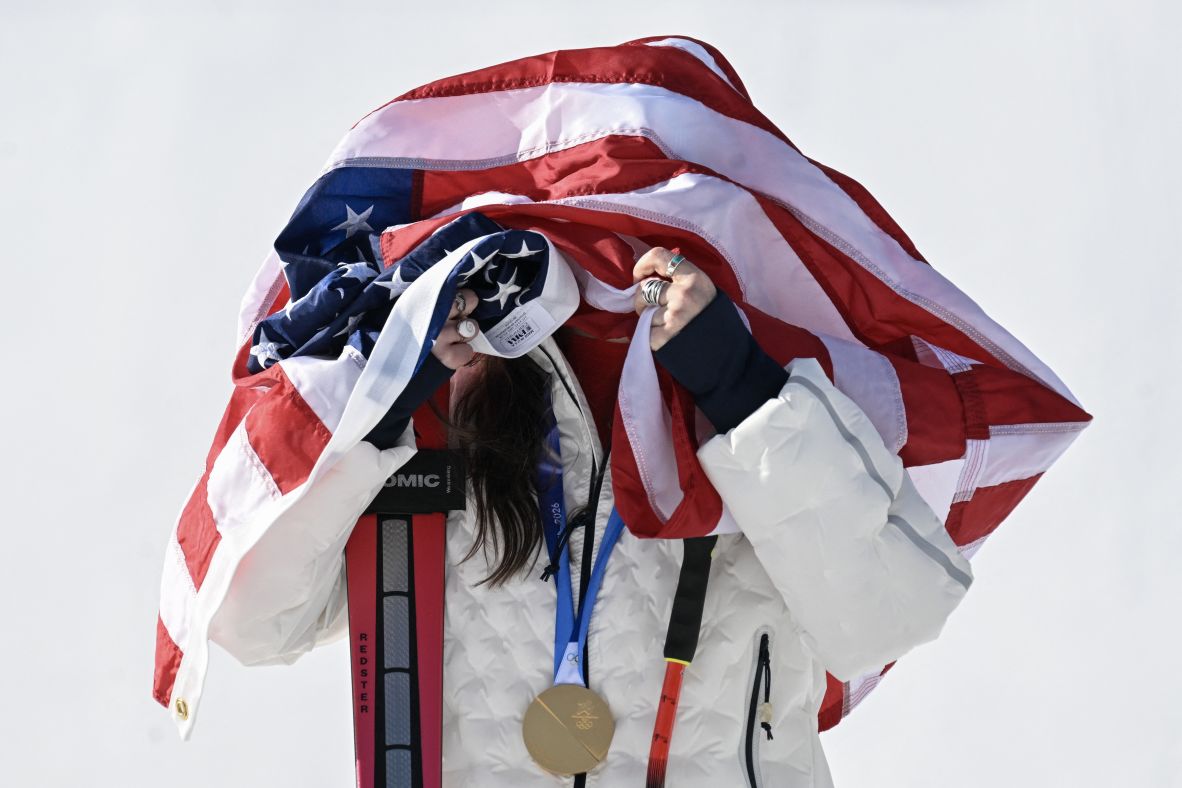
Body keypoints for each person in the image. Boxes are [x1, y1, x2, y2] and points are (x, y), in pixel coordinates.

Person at [210, 245, 974, 787]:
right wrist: (367, 422)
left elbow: (893, 612)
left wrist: (741, 387)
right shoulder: (440, 439)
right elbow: (249, 621)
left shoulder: (753, 426)